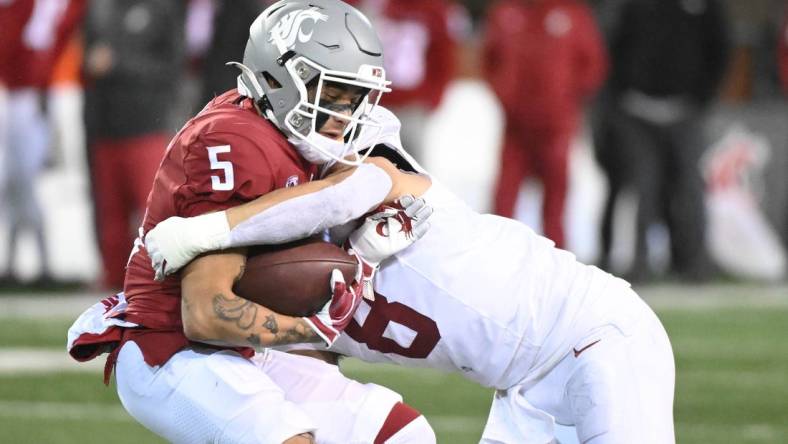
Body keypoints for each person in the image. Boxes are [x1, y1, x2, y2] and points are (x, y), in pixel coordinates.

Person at [143, 104, 676, 443]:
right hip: (523, 386)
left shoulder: (385, 182)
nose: (340, 120)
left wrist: (208, 231)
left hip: (597, 335)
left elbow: (358, 188)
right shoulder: (290, 261)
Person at [67, 1, 436, 442]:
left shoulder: (285, 129)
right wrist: (311, 328)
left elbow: (411, 186)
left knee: (401, 434)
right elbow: (204, 312)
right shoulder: (235, 142)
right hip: (171, 347)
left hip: (239, 346)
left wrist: (362, 251)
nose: (345, 115)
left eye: (354, 98)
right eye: (332, 94)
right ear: (280, 77)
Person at [605, 0, 730, 282]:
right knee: (642, 187)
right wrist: (623, 94)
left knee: (690, 187)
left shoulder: (705, 5)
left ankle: (694, 264)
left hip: (685, 110)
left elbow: (720, 48)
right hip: (638, 110)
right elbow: (615, 47)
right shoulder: (633, 5)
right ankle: (638, 264)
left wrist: (701, 97)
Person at [482, 0, 608, 249]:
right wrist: (505, 95)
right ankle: (497, 255)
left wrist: (566, 100)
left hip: (556, 127)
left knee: (556, 197)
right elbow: (490, 59)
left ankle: (556, 257)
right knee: (505, 196)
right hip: (516, 126)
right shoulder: (506, 12)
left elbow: (592, 64)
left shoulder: (571, 12)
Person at [82, 0, 186, 290]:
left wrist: (118, 64)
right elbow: (86, 61)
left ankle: (156, 280)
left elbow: (172, 68)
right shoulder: (100, 9)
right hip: (105, 126)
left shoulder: (163, 9)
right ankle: (111, 279)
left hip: (146, 125)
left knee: (151, 209)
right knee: (109, 212)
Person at [0, 0, 85, 285]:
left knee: (28, 182)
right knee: (17, 183)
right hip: (20, 95)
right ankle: (22, 261)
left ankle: (41, 261)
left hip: (42, 95)